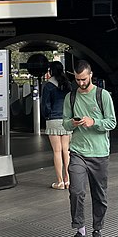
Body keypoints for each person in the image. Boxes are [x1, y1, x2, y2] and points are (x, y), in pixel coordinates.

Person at [63, 60, 117, 237]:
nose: (80, 83)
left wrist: (93, 122)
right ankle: (80, 233)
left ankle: (98, 232)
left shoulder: (103, 96)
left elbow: (111, 122)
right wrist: (73, 123)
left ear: (91, 75)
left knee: (99, 195)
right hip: (77, 151)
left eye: (83, 79)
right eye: (77, 79)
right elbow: (65, 124)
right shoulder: (70, 97)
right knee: (76, 191)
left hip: (100, 153)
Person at [42, 60, 72, 189]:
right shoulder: (68, 84)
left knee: (57, 151)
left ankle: (59, 182)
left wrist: (47, 115)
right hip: (66, 120)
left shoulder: (48, 86)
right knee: (67, 151)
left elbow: (45, 105)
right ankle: (68, 180)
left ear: (51, 71)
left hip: (53, 120)